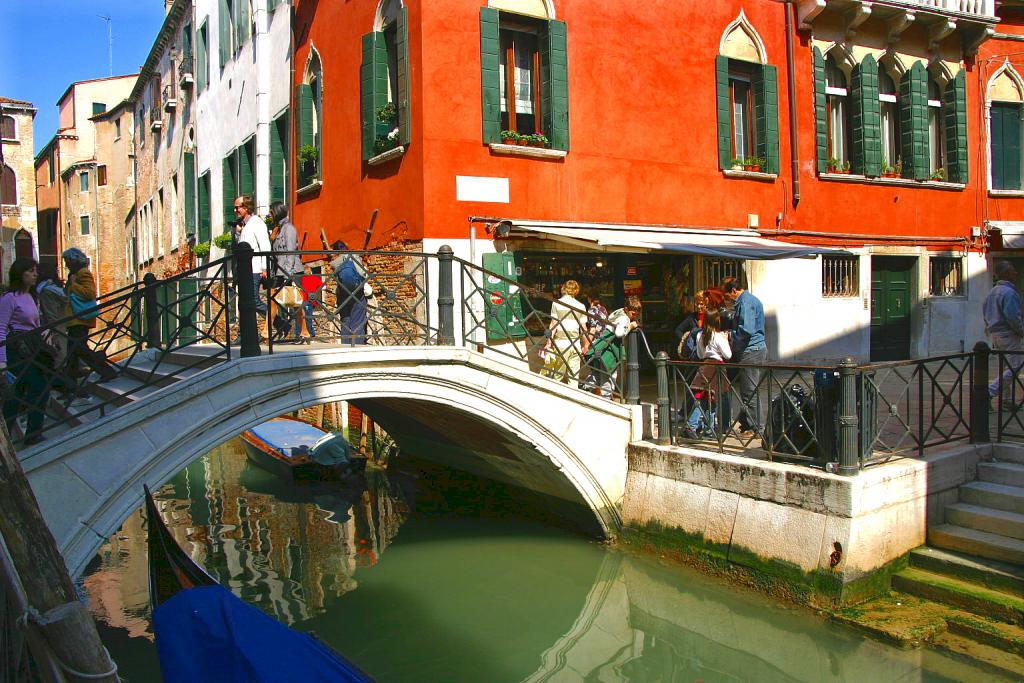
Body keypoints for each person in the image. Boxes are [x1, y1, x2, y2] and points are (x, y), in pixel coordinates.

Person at [0, 258, 51, 445]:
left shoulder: (31, 296)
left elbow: (35, 324)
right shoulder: (9, 298)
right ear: (20, 274)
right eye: (30, 271)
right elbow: (1, 328)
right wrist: (2, 362)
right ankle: (32, 434)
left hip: (32, 348)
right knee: (39, 387)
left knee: (17, 395)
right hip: (16, 351)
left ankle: (8, 439)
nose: (35, 274)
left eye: (35, 270)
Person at [63, 247, 117, 382]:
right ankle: (70, 383)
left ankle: (106, 371)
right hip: (74, 319)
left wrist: (73, 284)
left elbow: (90, 293)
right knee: (72, 351)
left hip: (80, 318)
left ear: (73, 260)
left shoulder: (83, 273)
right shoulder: (74, 274)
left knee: (79, 349)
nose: (65, 264)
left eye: (67, 261)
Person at [722, 276, 766, 436]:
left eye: (727, 295)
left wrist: (730, 335)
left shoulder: (746, 303)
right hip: (750, 350)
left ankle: (758, 428)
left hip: (751, 350)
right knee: (746, 389)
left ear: (733, 291)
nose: (727, 299)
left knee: (750, 391)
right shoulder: (747, 300)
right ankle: (747, 422)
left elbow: (746, 329)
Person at [683, 309, 731, 439]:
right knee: (706, 398)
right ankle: (691, 425)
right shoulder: (718, 335)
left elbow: (699, 354)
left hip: (705, 366)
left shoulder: (700, 335)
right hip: (717, 367)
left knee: (707, 397)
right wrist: (726, 339)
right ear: (717, 320)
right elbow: (728, 355)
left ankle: (708, 428)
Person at [583, 296, 641, 397]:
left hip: (601, 345)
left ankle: (586, 389)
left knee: (598, 372)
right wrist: (631, 326)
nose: (634, 316)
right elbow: (619, 333)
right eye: (633, 314)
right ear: (627, 309)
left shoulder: (617, 313)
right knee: (608, 374)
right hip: (609, 348)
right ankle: (606, 398)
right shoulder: (624, 318)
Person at [984, 260, 1024, 402]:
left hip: (995, 334)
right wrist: (1021, 332)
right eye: (1013, 270)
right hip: (1008, 334)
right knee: (1014, 367)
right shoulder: (1009, 293)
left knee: (1006, 367)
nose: (1016, 272)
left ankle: (1007, 400)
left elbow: (985, 314)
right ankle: (989, 392)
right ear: (1006, 273)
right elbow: (1013, 317)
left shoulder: (992, 292)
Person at [268, 202, 307, 340]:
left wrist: (288, 275)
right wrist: (271, 239)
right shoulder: (277, 229)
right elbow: (275, 254)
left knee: (296, 303)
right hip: (279, 271)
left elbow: (290, 252)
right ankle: (267, 332)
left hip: (292, 271)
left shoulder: (289, 228)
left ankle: (304, 331)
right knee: (272, 299)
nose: (269, 215)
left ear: (277, 212)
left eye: (271, 212)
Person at [233, 195, 272, 326]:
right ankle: (279, 324)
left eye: (237, 207)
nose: (235, 210)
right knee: (246, 302)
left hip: (255, 269)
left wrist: (265, 268)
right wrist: (239, 233)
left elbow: (264, 245)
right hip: (246, 269)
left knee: (254, 301)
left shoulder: (256, 222)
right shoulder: (246, 224)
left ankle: (280, 322)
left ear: (246, 207)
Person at [541, 279, 588, 384]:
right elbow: (583, 328)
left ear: (563, 289)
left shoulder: (556, 304)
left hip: (560, 344)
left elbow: (553, 324)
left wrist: (549, 343)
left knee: (558, 376)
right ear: (576, 291)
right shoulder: (581, 306)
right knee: (574, 378)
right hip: (575, 344)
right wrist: (586, 345)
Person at [330, 241, 368, 344]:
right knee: (358, 321)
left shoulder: (335, 262)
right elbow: (363, 273)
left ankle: (345, 346)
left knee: (345, 320)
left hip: (343, 293)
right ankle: (358, 346)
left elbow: (335, 276)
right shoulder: (354, 257)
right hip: (357, 293)